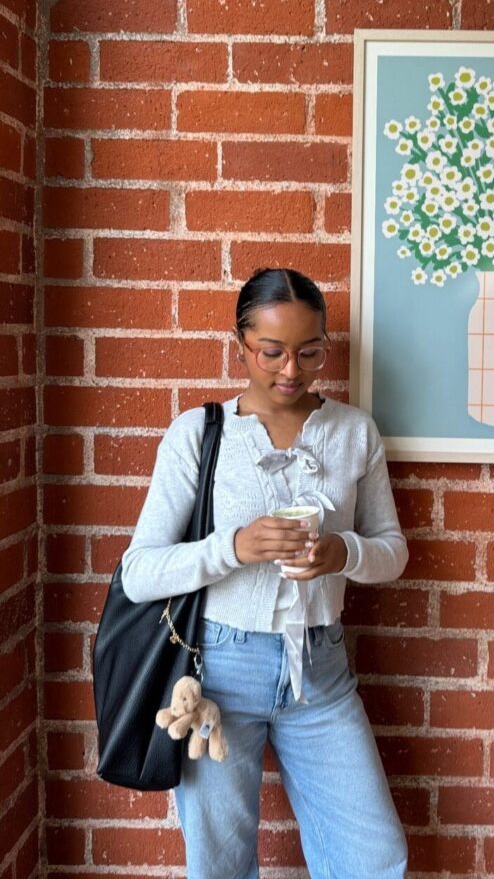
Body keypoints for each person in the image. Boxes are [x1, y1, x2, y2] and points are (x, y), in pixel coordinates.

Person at [121, 267, 409, 879]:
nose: (291, 370)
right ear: (241, 344)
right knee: (220, 866)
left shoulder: (354, 432)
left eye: (310, 352)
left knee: (374, 858)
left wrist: (343, 554)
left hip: (322, 673)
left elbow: (393, 551)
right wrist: (233, 547)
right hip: (216, 679)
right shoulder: (199, 435)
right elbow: (138, 573)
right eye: (271, 352)